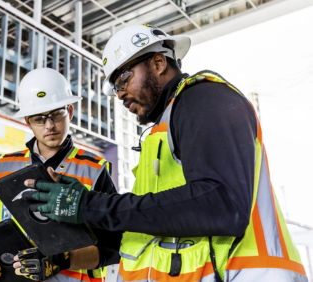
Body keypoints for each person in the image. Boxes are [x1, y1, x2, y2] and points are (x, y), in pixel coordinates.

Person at [22, 25, 308, 282]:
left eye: (123, 80)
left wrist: (91, 206)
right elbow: (148, 223)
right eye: (115, 88)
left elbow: (222, 205)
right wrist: (84, 213)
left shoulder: (205, 100)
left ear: (158, 63)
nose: (119, 94)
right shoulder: (161, 132)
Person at [0, 68, 120, 282]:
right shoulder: (5, 166)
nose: (50, 125)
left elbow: (114, 248)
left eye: (57, 114)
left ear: (70, 112)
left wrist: (61, 260)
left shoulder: (94, 169)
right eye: (39, 119)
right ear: (27, 122)